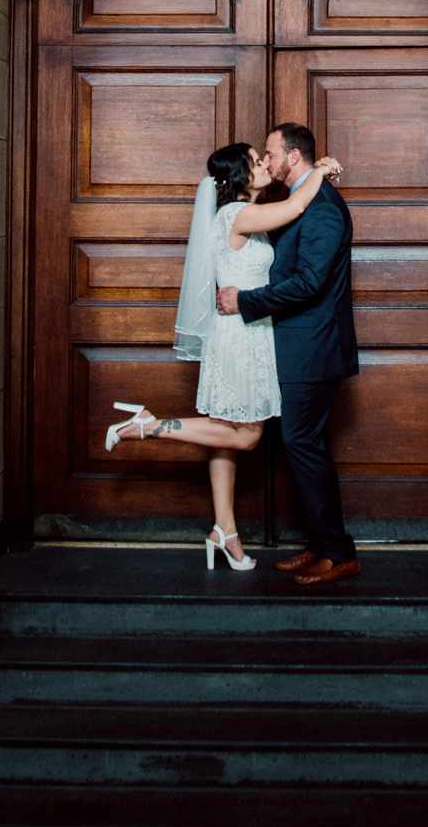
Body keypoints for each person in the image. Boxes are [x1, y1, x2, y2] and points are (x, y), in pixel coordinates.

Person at [104, 141, 340, 571]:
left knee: (225, 434)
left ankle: (225, 531)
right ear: (239, 177)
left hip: (242, 332)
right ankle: (151, 425)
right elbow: (296, 207)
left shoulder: (238, 215)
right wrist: (320, 170)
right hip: (239, 337)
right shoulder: (237, 214)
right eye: (256, 161)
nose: (264, 163)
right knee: (247, 434)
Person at [217, 123, 360, 588]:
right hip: (298, 347)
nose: (268, 162)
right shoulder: (300, 200)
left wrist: (246, 301)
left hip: (313, 350)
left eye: (272, 154)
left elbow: (309, 283)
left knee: (305, 447)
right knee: (304, 447)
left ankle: (338, 554)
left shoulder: (321, 209)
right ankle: (321, 545)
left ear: (293, 156)